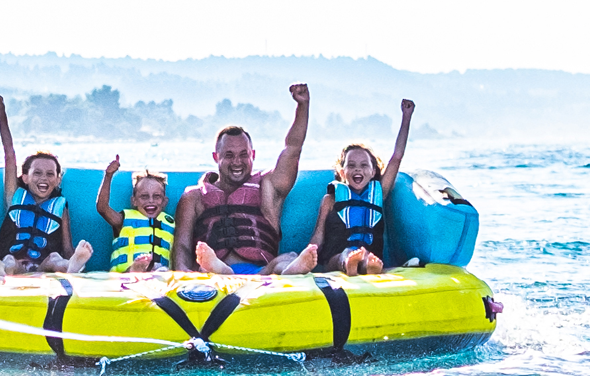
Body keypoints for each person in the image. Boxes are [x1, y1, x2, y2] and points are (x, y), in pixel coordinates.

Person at [174, 83, 318, 275]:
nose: (237, 162)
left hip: (262, 273)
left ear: (253, 155)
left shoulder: (268, 186)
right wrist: (183, 273)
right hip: (211, 274)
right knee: (203, 267)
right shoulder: (194, 197)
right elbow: (182, 245)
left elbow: (292, 149)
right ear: (216, 157)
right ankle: (219, 269)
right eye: (229, 155)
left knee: (286, 259)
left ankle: (291, 271)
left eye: (243, 155)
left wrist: (302, 106)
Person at [0, 95, 93, 275]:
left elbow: (67, 246)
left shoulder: (60, 206)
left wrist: (73, 259)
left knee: (56, 259)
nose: (43, 178)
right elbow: (9, 154)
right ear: (25, 177)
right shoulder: (14, 196)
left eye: (50, 174)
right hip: (17, 264)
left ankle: (71, 268)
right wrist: (1, 115)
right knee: (9, 260)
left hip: (43, 267)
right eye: (37, 173)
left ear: (58, 180)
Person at [307, 98, 417, 274]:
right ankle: (350, 264)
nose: (357, 169)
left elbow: (397, 156)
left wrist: (406, 117)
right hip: (335, 259)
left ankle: (368, 266)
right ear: (342, 172)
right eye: (351, 165)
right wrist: (309, 253)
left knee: (366, 257)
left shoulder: (379, 193)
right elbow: (318, 234)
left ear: (373, 172)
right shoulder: (330, 200)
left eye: (364, 165)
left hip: (369, 254)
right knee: (346, 254)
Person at [94, 156, 173, 272]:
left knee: (162, 270)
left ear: (165, 201)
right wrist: (108, 176)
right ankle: (135, 268)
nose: (150, 201)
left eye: (157, 196)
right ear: (134, 201)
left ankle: (150, 270)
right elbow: (102, 208)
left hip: (157, 275)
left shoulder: (171, 224)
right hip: (123, 276)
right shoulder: (123, 220)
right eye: (144, 197)